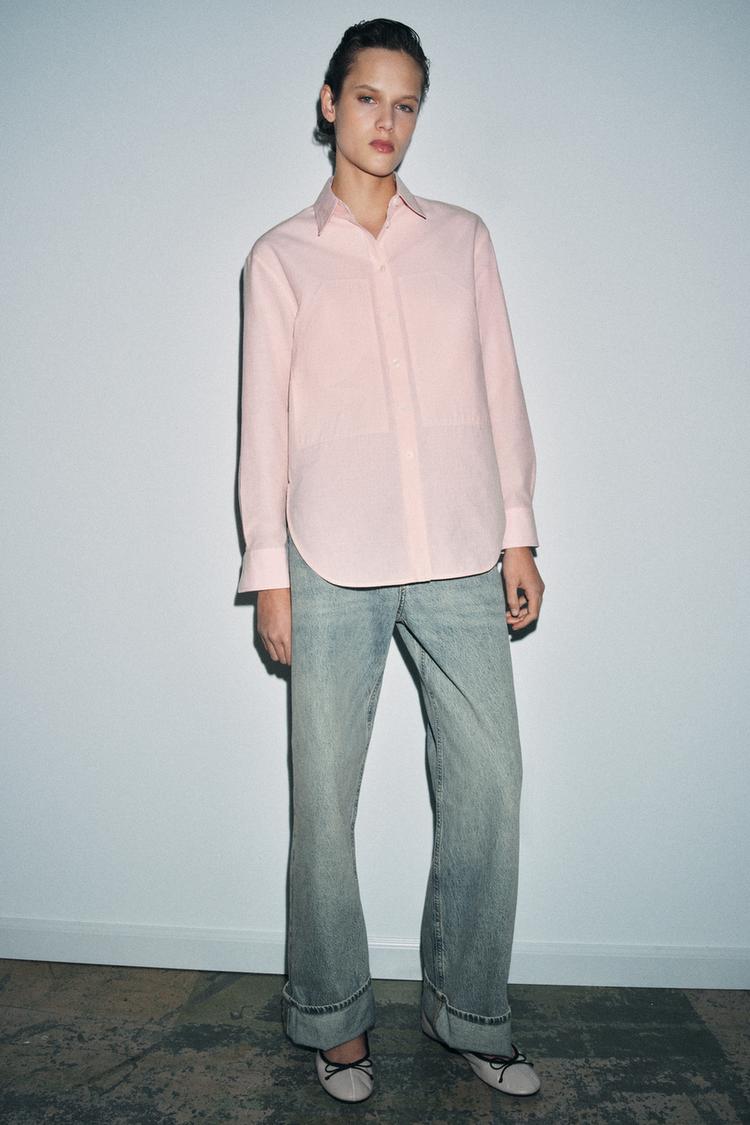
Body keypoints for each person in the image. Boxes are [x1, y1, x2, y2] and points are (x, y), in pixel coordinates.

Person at [236, 17, 545, 1104]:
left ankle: (471, 1012)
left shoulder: (462, 239)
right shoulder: (281, 257)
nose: (387, 122)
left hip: (460, 546)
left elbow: (499, 386)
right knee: (323, 802)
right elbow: (263, 425)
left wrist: (518, 529)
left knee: (491, 784)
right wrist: (268, 571)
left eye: (406, 103)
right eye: (368, 97)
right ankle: (334, 1022)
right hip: (328, 552)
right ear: (331, 103)